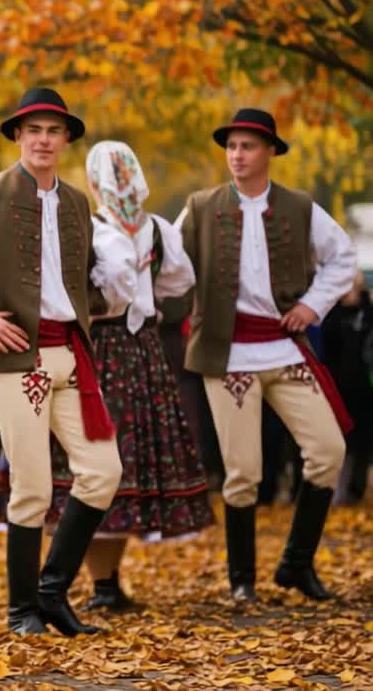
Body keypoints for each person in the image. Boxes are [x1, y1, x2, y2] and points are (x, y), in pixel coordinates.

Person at [0, 88, 135, 637]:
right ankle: (21, 611)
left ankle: (51, 591)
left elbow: (80, 278)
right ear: (18, 135)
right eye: (33, 129)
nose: (43, 139)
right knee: (33, 485)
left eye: (53, 130)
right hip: (16, 357)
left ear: (65, 139)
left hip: (72, 355)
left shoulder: (77, 202)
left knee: (103, 472)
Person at [180, 108, 356, 603]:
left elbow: (342, 256)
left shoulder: (300, 208)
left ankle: (296, 565)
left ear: (270, 152)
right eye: (232, 146)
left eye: (248, 146)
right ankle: (242, 581)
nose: (237, 155)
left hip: (283, 348)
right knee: (243, 473)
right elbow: (170, 262)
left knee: (327, 451)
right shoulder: (199, 206)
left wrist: (311, 305)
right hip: (227, 354)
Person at [44, 141, 215, 612]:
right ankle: (86, 581)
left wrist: (143, 282)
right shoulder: (90, 227)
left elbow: (180, 279)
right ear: (96, 180)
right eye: (112, 174)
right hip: (99, 348)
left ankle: (107, 582)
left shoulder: (155, 230)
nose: (120, 183)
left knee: (131, 466)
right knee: (96, 462)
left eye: (125, 173)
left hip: (140, 352)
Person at [323, 274, 372, 504]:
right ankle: (335, 492)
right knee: (338, 442)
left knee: (360, 445)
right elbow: (327, 348)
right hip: (337, 389)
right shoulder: (333, 315)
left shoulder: (368, 313)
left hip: (364, 391)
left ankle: (355, 491)